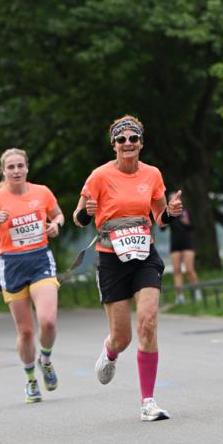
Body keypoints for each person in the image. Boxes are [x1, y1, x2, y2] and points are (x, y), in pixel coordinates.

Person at [73, 114, 183, 421]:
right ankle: (110, 351)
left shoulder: (152, 175)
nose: (127, 144)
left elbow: (160, 218)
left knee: (147, 322)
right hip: (111, 259)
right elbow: (78, 216)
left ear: (141, 144)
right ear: (114, 146)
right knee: (122, 337)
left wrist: (172, 212)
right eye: (121, 140)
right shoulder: (99, 176)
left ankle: (148, 402)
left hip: (144, 255)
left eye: (133, 138)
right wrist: (86, 214)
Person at [0, 148, 64, 403]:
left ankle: (45, 359)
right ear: (3, 171)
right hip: (12, 265)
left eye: (19, 166)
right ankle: (31, 381)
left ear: (27, 168)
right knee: (25, 331)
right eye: (10, 167)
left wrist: (55, 225)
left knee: (47, 321)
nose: (16, 171)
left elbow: (58, 214)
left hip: (40, 260)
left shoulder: (42, 192)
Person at [168, 205, 202, 304]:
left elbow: (193, 226)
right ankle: (179, 296)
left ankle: (196, 291)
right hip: (175, 245)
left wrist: (186, 223)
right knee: (177, 270)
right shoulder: (169, 214)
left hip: (187, 244)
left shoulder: (185, 211)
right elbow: (162, 228)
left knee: (189, 270)